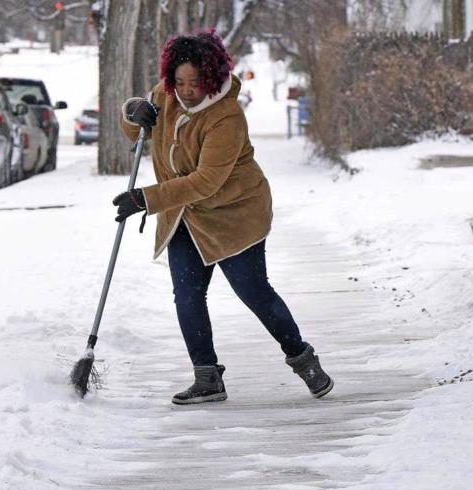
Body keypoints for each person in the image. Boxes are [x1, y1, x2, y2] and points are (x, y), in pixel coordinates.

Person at [114, 29, 333, 405]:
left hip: (233, 215)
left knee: (254, 293)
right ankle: (207, 378)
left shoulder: (226, 116)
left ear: (211, 78)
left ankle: (303, 359)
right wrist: (133, 112)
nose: (185, 90)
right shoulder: (165, 94)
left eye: (195, 83)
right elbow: (136, 132)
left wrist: (146, 198)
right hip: (184, 215)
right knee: (187, 296)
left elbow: (206, 180)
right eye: (179, 82)